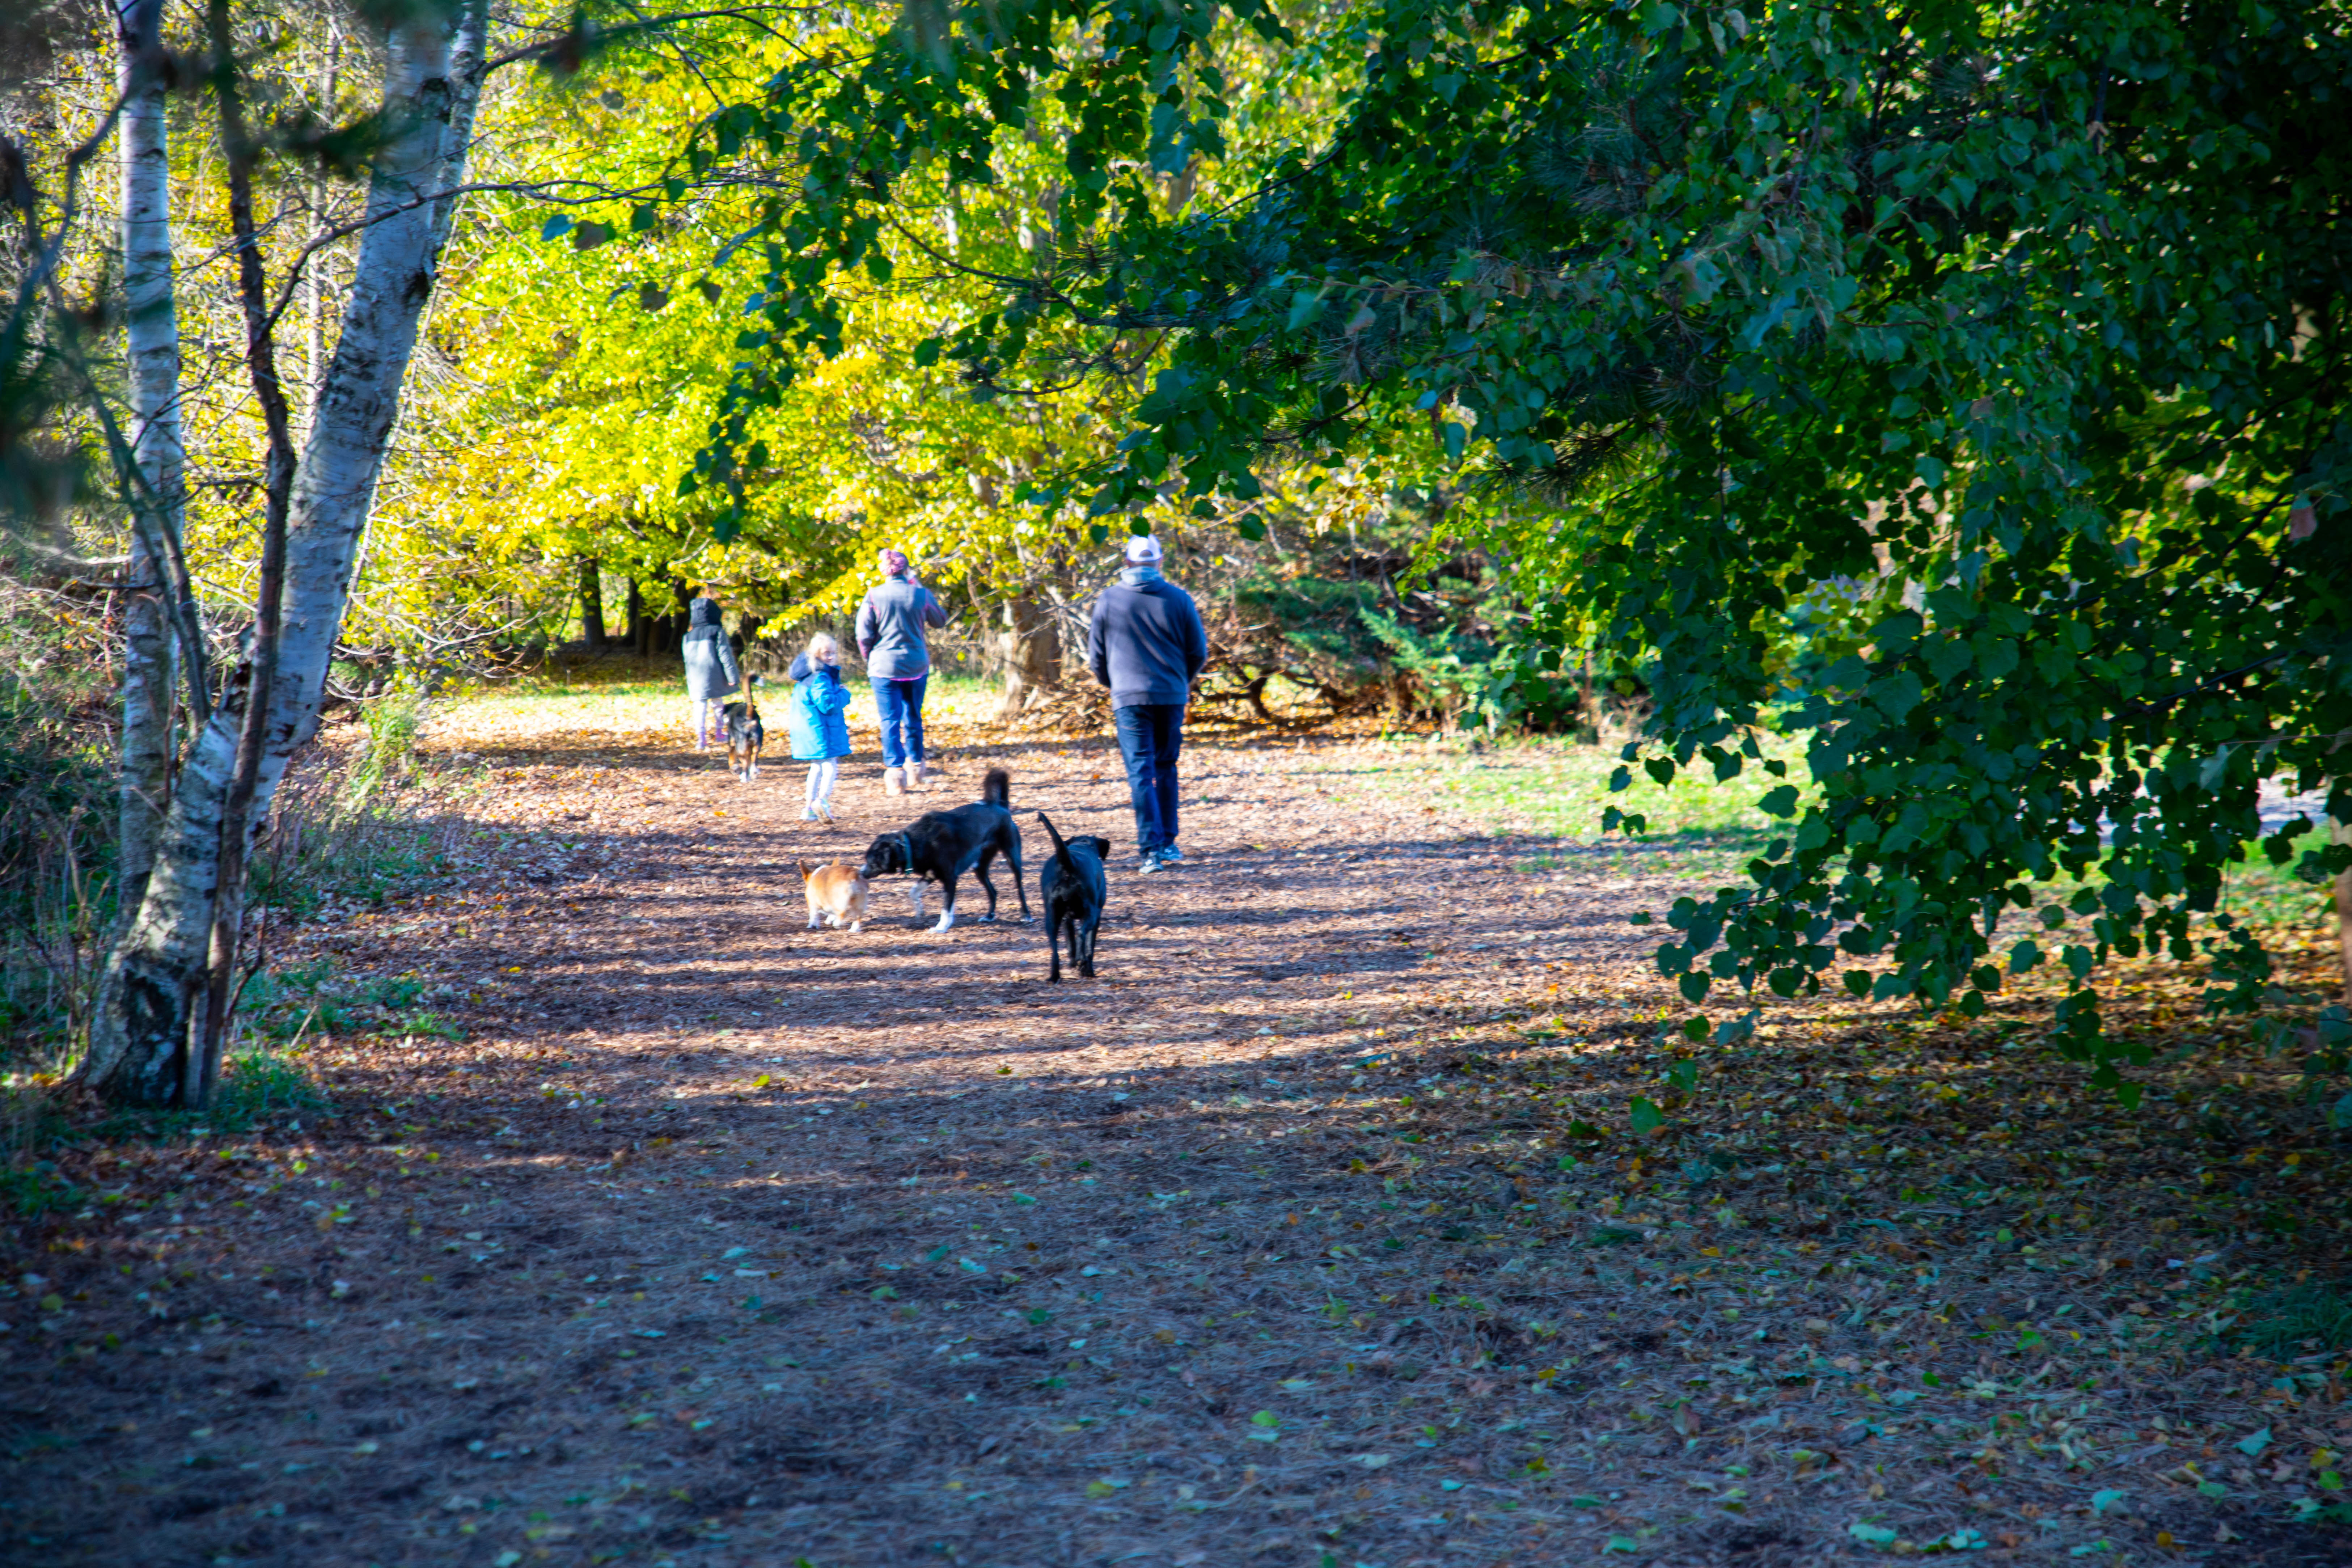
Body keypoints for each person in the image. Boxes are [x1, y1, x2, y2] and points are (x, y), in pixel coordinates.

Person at [1088, 533, 1206, 871]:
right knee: (1167, 766)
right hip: (1170, 695)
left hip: (1128, 698)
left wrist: (1116, 685)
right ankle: (1168, 843)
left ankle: (1151, 850)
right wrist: (1179, 681)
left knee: (1141, 771)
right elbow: (1198, 652)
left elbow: (1097, 657)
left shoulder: (1109, 600)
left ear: (1126, 563)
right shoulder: (1179, 599)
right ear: (1159, 561)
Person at [854, 548, 948, 795]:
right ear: (907, 570)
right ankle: (916, 768)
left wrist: (870, 657)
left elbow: (863, 634)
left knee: (890, 721)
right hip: (917, 664)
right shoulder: (921, 594)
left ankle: (896, 775)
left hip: (883, 666)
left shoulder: (873, 595)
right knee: (914, 717)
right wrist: (917, 585)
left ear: (883, 571)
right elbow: (940, 620)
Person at [785, 633, 854, 821]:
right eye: (826, 654)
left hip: (811, 731)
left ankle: (808, 808)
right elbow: (828, 705)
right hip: (821, 731)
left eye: (833, 653)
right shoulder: (820, 677)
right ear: (816, 655)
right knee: (830, 766)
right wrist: (844, 694)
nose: (831, 657)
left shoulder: (807, 676)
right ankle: (822, 800)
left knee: (816, 767)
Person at [681, 588, 741, 749]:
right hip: (715, 675)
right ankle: (720, 733)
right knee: (718, 704)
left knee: (699, 706)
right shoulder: (717, 632)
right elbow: (725, 656)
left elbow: (687, 659)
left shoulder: (688, 636)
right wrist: (733, 678)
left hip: (695, 676)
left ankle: (701, 739)